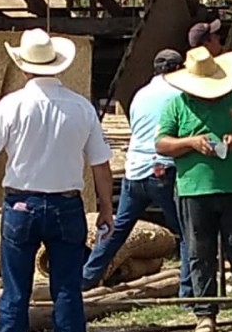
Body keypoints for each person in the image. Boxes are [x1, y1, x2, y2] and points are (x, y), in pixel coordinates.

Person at [0, 28, 114, 332]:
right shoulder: (80, 107)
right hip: (66, 203)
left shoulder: (12, 105)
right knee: (67, 291)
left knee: (15, 292)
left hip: (20, 202)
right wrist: (107, 207)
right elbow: (100, 163)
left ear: (24, 66)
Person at [156, 47, 232, 332]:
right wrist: (191, 143)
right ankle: (205, 313)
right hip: (194, 189)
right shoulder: (177, 104)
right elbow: (161, 144)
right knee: (200, 252)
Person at [81, 49, 193, 297]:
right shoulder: (181, 95)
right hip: (164, 167)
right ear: (178, 69)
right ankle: (190, 291)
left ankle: (87, 278)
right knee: (186, 232)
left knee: (119, 228)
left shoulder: (140, 94)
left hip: (135, 168)